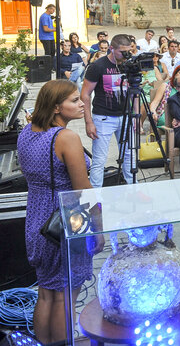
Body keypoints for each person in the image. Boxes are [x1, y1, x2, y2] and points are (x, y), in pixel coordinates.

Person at [19, 80, 101, 344]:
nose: (81, 104)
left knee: (47, 293)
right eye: (74, 101)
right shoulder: (66, 138)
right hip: (67, 220)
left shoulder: (26, 133)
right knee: (66, 296)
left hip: (37, 221)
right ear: (56, 107)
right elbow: (83, 190)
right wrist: (98, 229)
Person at [81, 34, 134, 186]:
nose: (125, 55)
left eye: (128, 51)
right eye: (122, 52)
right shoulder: (98, 66)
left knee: (129, 155)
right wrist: (88, 121)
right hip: (103, 116)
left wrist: (136, 117)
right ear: (112, 49)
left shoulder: (129, 65)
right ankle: (96, 196)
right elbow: (85, 95)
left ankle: (132, 188)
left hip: (125, 116)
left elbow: (133, 92)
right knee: (99, 159)